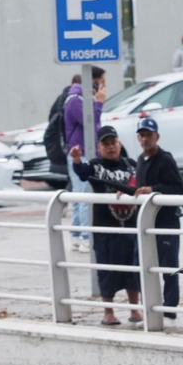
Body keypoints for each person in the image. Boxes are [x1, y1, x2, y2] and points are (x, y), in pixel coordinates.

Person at [68, 127, 140, 326]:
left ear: (120, 144)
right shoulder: (96, 165)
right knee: (107, 270)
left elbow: (142, 184)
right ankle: (108, 312)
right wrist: (76, 160)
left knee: (133, 269)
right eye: (105, 144)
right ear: (99, 147)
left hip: (131, 227)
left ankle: (136, 309)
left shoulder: (131, 165)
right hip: (106, 230)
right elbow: (82, 173)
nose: (110, 147)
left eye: (113, 143)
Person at [133, 117, 183, 320]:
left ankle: (170, 309)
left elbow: (180, 189)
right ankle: (149, 304)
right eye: (142, 135)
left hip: (166, 221)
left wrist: (154, 190)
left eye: (149, 135)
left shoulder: (165, 159)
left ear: (157, 137)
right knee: (141, 264)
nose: (145, 139)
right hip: (145, 223)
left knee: (168, 266)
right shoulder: (140, 160)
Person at [63, 66, 107, 254]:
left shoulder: (79, 98)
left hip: (80, 151)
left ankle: (76, 235)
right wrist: (99, 103)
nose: (104, 86)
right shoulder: (76, 100)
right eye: (103, 82)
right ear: (94, 81)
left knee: (79, 195)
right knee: (83, 195)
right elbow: (90, 122)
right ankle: (85, 238)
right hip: (78, 153)